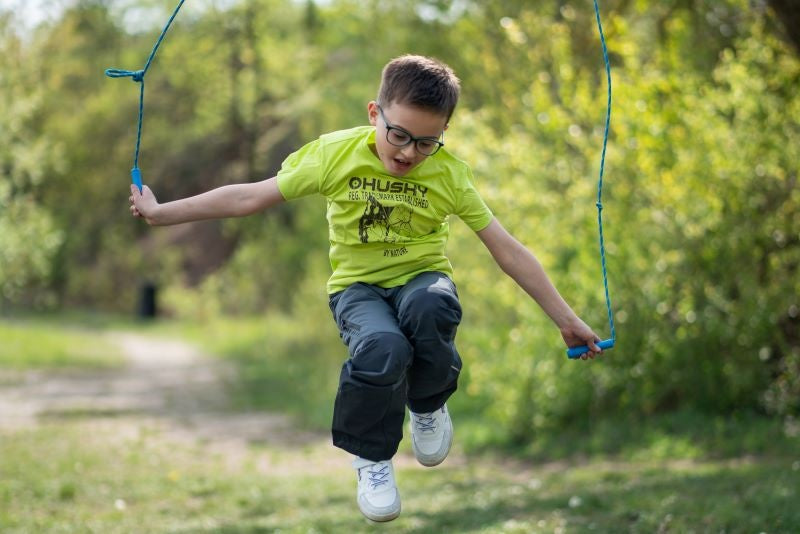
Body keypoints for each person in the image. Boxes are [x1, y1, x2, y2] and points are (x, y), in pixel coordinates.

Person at [129, 54, 603, 523]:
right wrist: (162, 211)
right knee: (381, 346)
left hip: (421, 277)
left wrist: (566, 320)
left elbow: (509, 251)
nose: (409, 153)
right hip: (357, 288)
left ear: (442, 136)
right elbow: (248, 196)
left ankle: (428, 403)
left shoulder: (449, 175)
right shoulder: (334, 154)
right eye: (399, 135)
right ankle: (373, 459)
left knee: (433, 305)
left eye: (426, 142)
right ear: (374, 113)